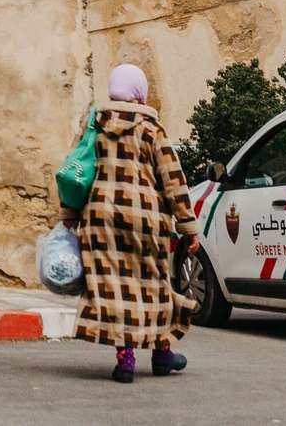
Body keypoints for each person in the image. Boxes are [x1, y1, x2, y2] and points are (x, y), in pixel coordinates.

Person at [66, 62, 199, 384]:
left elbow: (76, 170)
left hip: (100, 221)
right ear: (139, 92)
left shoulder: (94, 125)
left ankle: (125, 359)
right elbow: (173, 180)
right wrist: (188, 227)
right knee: (153, 286)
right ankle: (161, 353)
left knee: (115, 288)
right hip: (143, 220)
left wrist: (68, 216)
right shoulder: (151, 129)